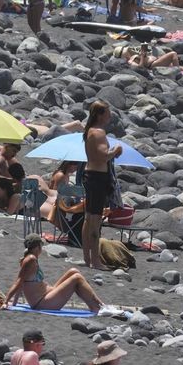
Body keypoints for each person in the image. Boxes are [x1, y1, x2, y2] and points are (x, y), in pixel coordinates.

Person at [5, 234, 113, 314]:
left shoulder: (30, 258)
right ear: (38, 247)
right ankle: (99, 307)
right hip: (42, 303)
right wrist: (6, 301)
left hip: (47, 295)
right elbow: (18, 282)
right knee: (77, 278)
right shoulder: (30, 260)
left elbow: (22, 283)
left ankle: (98, 305)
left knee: (73, 271)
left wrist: (14, 304)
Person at [82, 102, 120, 270]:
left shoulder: (89, 131)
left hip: (90, 175)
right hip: (98, 177)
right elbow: (103, 156)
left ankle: (87, 258)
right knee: (95, 220)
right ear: (99, 115)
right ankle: (96, 261)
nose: (109, 117)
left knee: (88, 218)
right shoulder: (99, 132)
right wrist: (116, 151)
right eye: (107, 113)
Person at [0, 143, 25, 213]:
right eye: (13, 151)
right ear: (7, 147)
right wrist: (12, 181)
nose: (14, 154)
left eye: (16, 152)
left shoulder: (5, 159)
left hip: (3, 200)